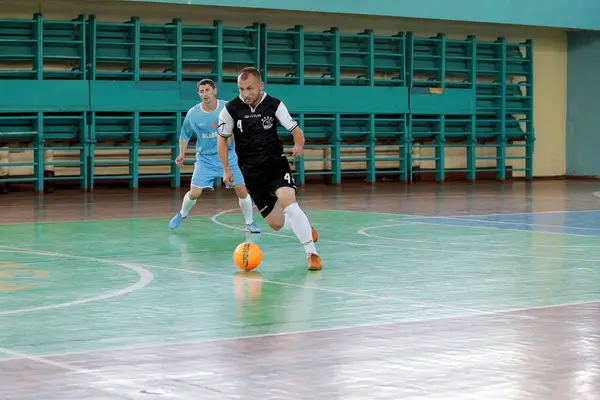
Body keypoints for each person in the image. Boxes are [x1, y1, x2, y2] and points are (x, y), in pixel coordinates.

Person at [217, 67, 322, 271]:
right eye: (241, 89)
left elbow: (295, 130)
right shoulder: (230, 109)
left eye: (250, 88)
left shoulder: (274, 104)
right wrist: (225, 169)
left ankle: (312, 254)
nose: (245, 93)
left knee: (288, 202)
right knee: (276, 223)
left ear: (260, 86)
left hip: (275, 162)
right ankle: (305, 228)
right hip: (251, 171)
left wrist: (299, 145)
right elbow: (222, 140)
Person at [169, 78, 261, 233]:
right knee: (194, 193)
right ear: (199, 94)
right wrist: (181, 154)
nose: (205, 94)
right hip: (205, 159)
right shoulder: (193, 114)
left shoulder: (227, 108)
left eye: (207, 90)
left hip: (228, 155)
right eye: (201, 91)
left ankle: (250, 222)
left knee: (240, 188)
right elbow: (184, 135)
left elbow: (243, 124)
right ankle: (181, 214)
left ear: (214, 91)